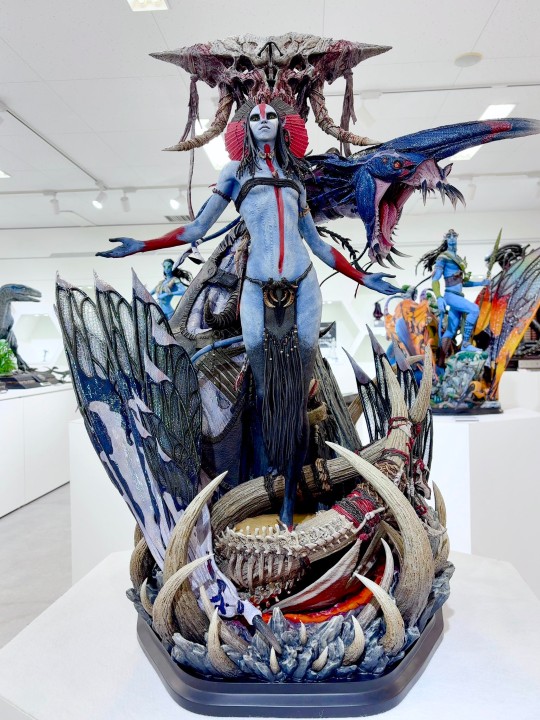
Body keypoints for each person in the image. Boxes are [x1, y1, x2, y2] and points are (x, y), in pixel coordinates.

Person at [97, 100, 399, 529]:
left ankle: (291, 500)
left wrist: (364, 278)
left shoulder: (295, 178)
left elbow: (316, 244)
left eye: (270, 116)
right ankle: (264, 484)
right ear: (244, 128)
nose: (263, 122)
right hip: (256, 287)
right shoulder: (234, 174)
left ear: (282, 125)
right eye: (255, 118)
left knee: (296, 395)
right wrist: (143, 245)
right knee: (265, 396)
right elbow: (196, 229)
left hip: (304, 284)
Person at [418, 229, 489, 357]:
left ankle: (440, 360)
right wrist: (439, 297)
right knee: (474, 309)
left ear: (457, 238)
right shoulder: (443, 257)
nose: (451, 238)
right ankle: (465, 343)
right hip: (450, 296)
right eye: (449, 236)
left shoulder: (458, 259)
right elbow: (435, 280)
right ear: (446, 239)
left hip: (458, 296)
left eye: (454, 236)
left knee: (451, 330)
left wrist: (481, 283)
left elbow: (463, 282)